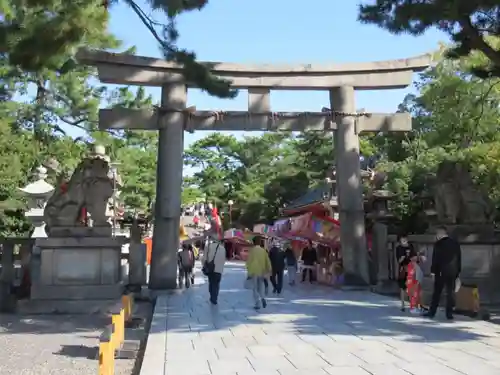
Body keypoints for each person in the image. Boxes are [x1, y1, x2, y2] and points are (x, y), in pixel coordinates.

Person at [424, 227, 461, 320]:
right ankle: (449, 313)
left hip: (440, 271)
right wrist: (458, 272)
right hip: (452, 271)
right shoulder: (455, 243)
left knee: (437, 292)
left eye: (436, 235)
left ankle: (432, 312)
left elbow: (435, 259)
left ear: (440, 234)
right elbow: (459, 258)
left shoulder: (438, 244)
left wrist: (433, 271)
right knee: (450, 293)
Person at [246, 236, 272, 310]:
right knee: (260, 287)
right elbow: (267, 261)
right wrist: (269, 270)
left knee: (254, 288)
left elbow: (249, 262)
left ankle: (257, 303)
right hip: (262, 271)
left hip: (254, 271)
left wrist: (249, 273)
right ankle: (263, 298)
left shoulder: (252, 251)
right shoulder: (263, 251)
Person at [202, 231, 226, 305]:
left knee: (211, 283)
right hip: (219, 270)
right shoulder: (223, 248)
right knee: (216, 284)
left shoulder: (208, 246)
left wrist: (204, 265)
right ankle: (215, 297)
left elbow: (204, 258)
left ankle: (212, 297)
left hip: (211, 268)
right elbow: (223, 260)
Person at [395, 235, 414, 311]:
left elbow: (414, 257)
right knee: (402, 287)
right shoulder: (398, 248)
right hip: (402, 268)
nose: (404, 241)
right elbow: (398, 261)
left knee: (411, 285)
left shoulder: (411, 247)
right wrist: (401, 258)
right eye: (402, 240)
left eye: (405, 239)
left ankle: (411, 303)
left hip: (410, 268)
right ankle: (402, 304)